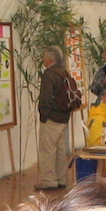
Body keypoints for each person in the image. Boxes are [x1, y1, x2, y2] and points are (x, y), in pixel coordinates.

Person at [35, 45, 70, 191]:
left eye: (44, 56)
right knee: (60, 149)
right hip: (64, 116)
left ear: (50, 58)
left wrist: (44, 115)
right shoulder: (64, 72)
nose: (43, 59)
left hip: (52, 117)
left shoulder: (49, 74)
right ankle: (61, 178)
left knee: (48, 150)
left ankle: (49, 180)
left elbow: (46, 97)